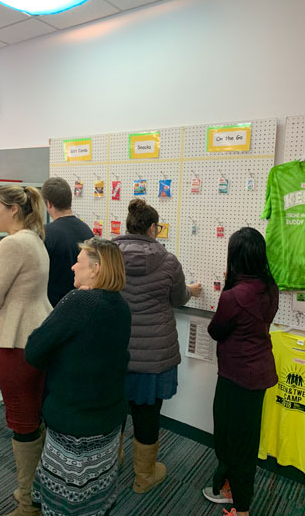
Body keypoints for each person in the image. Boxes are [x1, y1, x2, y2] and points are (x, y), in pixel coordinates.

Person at [25, 237, 131, 516]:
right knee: (95, 495)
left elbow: (34, 350)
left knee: (67, 500)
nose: (72, 267)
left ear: (96, 268)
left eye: (79, 261)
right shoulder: (120, 305)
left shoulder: (79, 301)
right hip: (108, 419)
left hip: (75, 425)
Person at [113, 198, 202, 494]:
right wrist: (190, 290)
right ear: (153, 228)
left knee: (114, 409)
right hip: (154, 356)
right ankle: (144, 477)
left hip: (116, 350)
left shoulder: (109, 257)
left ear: (128, 226)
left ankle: (113, 460)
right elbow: (178, 298)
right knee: (148, 414)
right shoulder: (168, 262)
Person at [0, 185, 52, 516]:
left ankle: (27, 503)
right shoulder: (35, 239)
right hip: (37, 334)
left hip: (18, 341)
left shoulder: (11, 244)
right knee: (35, 415)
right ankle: (37, 489)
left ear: (14, 210)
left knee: (22, 420)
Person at [202, 227, 279, 516]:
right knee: (244, 438)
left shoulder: (234, 296)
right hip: (259, 373)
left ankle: (241, 507)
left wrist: (228, 288)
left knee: (231, 441)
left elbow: (216, 330)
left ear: (235, 257)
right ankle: (230, 487)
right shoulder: (269, 286)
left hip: (236, 377)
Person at [40, 177, 93, 307]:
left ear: (48, 203)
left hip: (53, 306)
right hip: (82, 303)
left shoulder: (45, 233)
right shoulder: (87, 230)